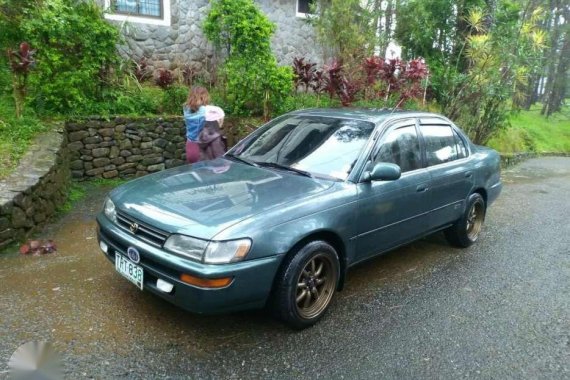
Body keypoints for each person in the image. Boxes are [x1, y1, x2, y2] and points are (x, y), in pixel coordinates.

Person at [183, 86, 210, 163]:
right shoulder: (206, 110)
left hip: (190, 146)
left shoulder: (185, 109)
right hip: (203, 148)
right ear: (203, 96)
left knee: (195, 171)